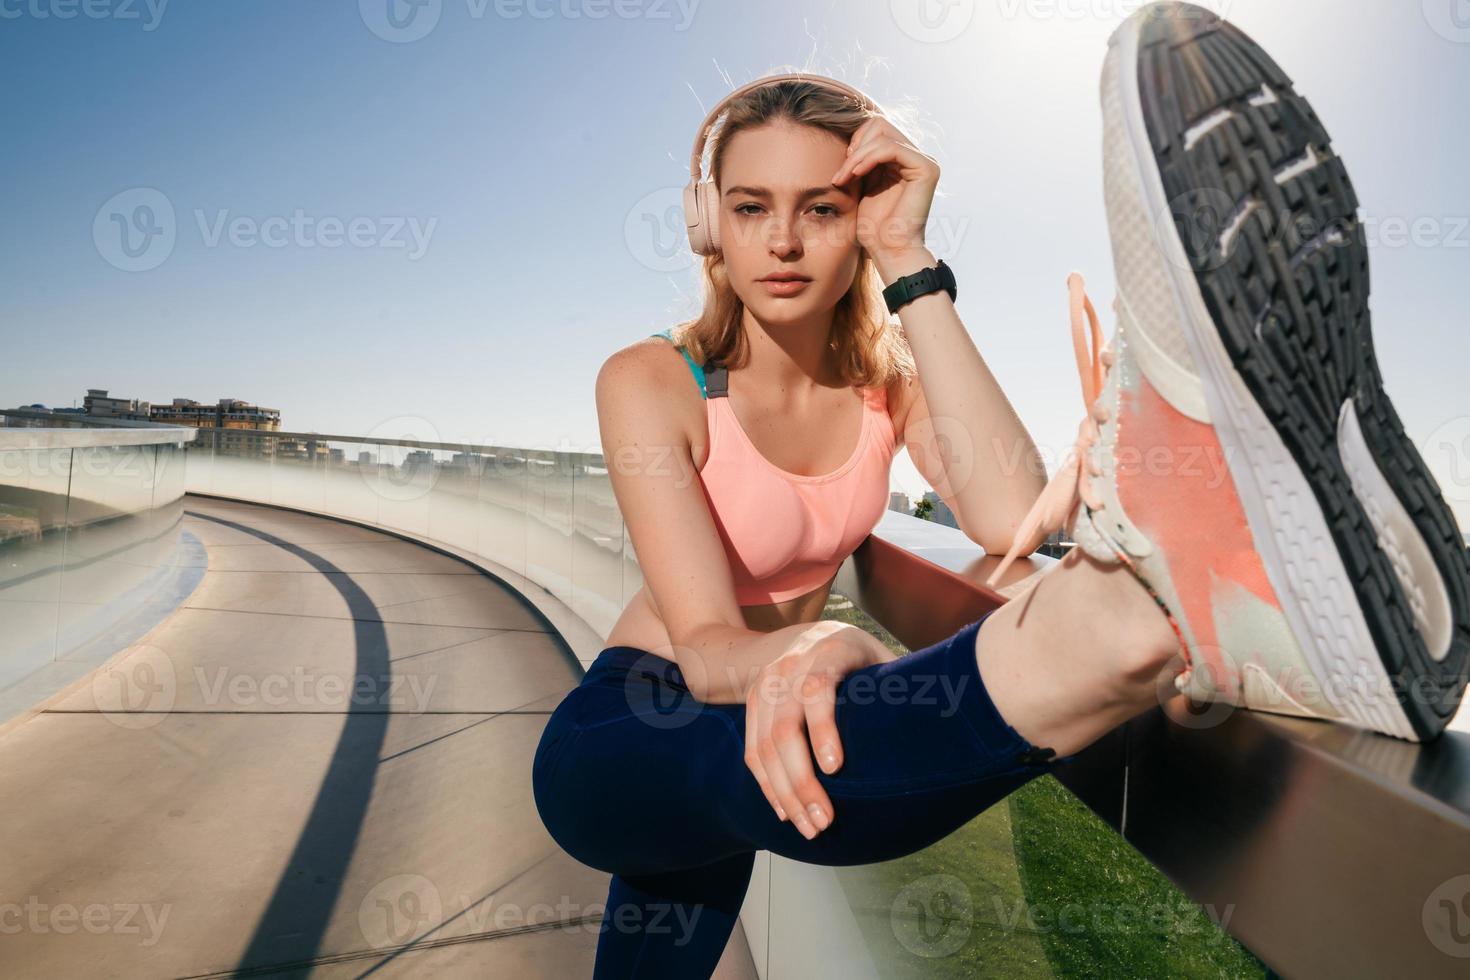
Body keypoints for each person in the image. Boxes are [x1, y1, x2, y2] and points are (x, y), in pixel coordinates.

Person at [533, 4, 1470, 976]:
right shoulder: (653, 380)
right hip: (638, 722)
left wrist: (908, 260)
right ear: (707, 224)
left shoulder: (885, 387)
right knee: (818, 773)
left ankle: (1170, 590)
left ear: (859, 214)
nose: (782, 240)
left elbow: (1007, 509)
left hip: (758, 719)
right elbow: (705, 646)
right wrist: (810, 636)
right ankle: (1120, 617)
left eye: (821, 207)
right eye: (751, 206)